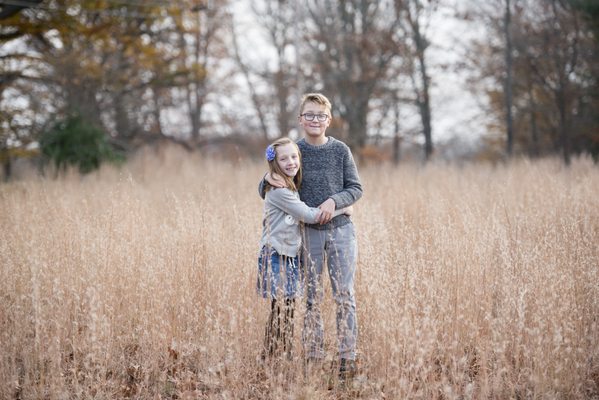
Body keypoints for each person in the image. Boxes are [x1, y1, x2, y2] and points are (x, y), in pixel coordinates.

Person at [259, 93, 363, 380]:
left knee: (344, 294)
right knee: (312, 298)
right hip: (309, 235)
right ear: (300, 119)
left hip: (341, 231)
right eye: (309, 115)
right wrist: (265, 179)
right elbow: (273, 178)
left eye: (320, 115)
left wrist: (335, 202)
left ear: (328, 120)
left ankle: (347, 356)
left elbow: (356, 187)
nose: (315, 120)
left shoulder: (341, 150)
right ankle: (314, 356)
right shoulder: (296, 150)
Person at [257, 137, 353, 361]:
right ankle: (272, 359)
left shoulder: (289, 184)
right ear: (275, 164)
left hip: (288, 256)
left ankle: (277, 358)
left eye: (293, 157)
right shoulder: (280, 191)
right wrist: (343, 208)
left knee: (286, 309)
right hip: (276, 255)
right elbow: (310, 215)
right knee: (281, 310)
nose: (291, 162)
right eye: (283, 159)